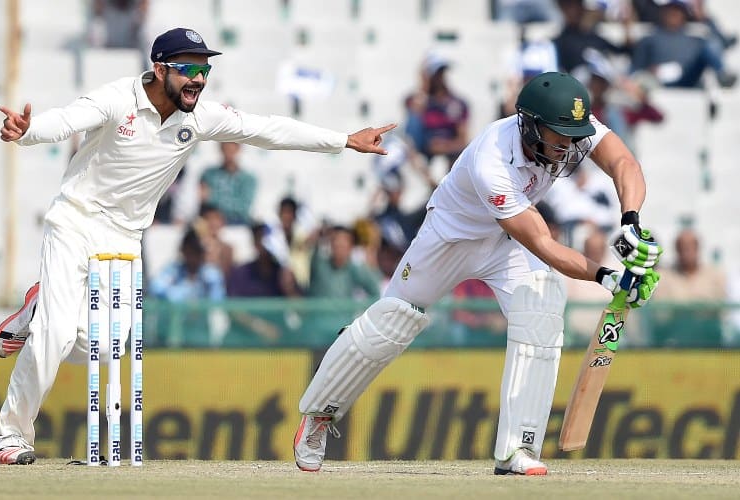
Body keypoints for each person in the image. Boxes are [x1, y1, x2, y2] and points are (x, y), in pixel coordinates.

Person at [0, 27, 397, 465]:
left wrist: (345, 140)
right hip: (75, 220)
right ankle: (10, 437)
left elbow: (267, 129)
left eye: (204, 69)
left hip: (125, 235)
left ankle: (37, 308)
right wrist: (28, 131)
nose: (198, 79)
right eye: (187, 69)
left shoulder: (198, 118)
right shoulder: (118, 99)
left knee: (106, 348)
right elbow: (67, 119)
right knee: (55, 333)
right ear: (159, 68)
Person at [292, 72, 663, 476]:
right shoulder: (493, 159)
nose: (570, 145)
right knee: (391, 322)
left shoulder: (568, 129)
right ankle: (319, 416)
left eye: (574, 136)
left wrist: (630, 222)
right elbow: (541, 241)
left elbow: (623, 161)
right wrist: (607, 277)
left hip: (504, 245)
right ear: (530, 123)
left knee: (541, 309)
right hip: (450, 238)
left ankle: (518, 448)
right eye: (560, 136)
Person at [630, 0, 737, 88]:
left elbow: (722, 43)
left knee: (710, 45)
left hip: (687, 78)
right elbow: (636, 68)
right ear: (663, 12)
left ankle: (722, 74)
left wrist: (705, 19)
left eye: (678, 11)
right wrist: (649, 72)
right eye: (670, 10)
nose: (674, 14)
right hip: (659, 82)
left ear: (684, 15)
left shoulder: (694, 38)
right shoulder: (649, 39)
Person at [403, 52, 470, 169]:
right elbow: (412, 135)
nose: (439, 77)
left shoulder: (457, 103)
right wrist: (424, 87)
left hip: (450, 155)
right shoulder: (415, 100)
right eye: (436, 73)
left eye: (441, 72)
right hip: (424, 155)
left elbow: (463, 139)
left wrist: (446, 146)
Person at [198, 141, 257, 226]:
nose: (228, 153)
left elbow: (244, 207)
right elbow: (203, 201)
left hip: (238, 223)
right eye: (225, 148)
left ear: (238, 149)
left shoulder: (248, 179)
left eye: (231, 149)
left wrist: (212, 198)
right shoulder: (208, 174)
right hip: (211, 223)